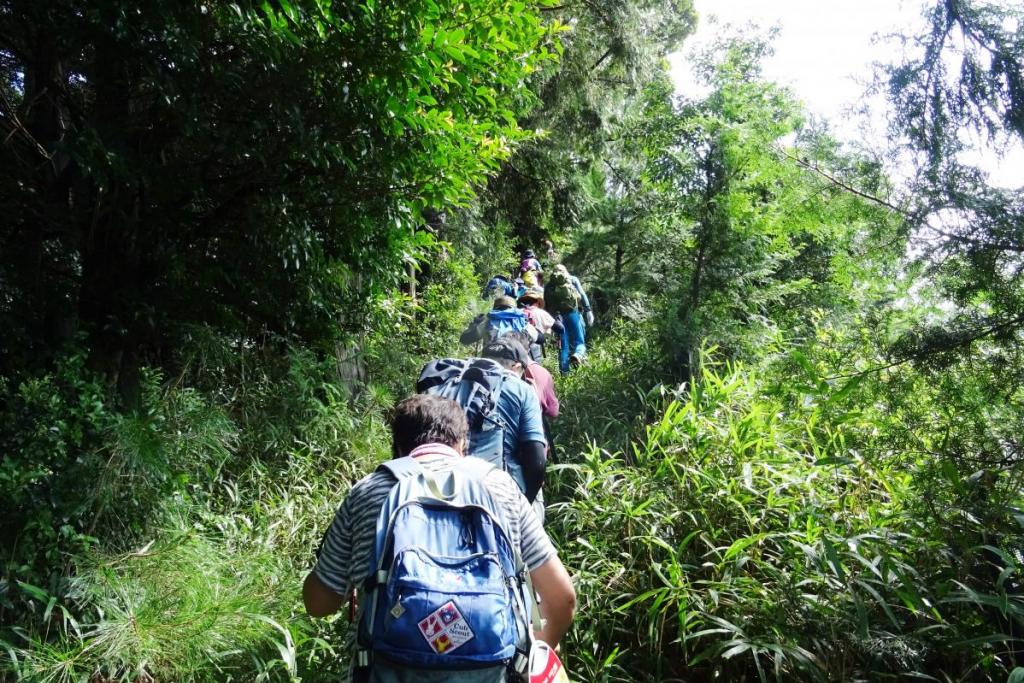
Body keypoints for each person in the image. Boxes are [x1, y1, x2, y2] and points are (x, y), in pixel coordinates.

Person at [303, 394, 576, 682]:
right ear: (463, 445)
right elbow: (562, 599)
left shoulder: (367, 492)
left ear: (397, 448)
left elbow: (320, 603)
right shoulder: (500, 486)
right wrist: (525, 652)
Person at [418, 337, 548, 503]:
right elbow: (537, 461)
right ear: (516, 366)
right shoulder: (522, 389)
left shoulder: (451, 380)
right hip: (497, 494)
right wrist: (524, 505)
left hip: (440, 487)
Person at [546, 265, 592, 374]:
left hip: (558, 318)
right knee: (579, 341)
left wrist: (550, 321)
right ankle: (578, 354)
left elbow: (546, 303)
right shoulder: (572, 279)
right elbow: (582, 294)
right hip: (573, 314)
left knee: (563, 346)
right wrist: (588, 310)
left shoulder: (549, 285)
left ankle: (564, 374)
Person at [459, 296, 543, 355]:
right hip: (515, 364)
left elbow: (464, 339)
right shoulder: (522, 322)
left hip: (490, 361)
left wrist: (474, 324)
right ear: (514, 309)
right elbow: (541, 339)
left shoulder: (487, 321)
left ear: (495, 308)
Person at [517, 287, 561, 360]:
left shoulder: (516, 312)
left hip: (517, 346)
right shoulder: (541, 312)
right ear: (537, 302)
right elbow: (560, 329)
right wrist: (558, 320)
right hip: (534, 345)